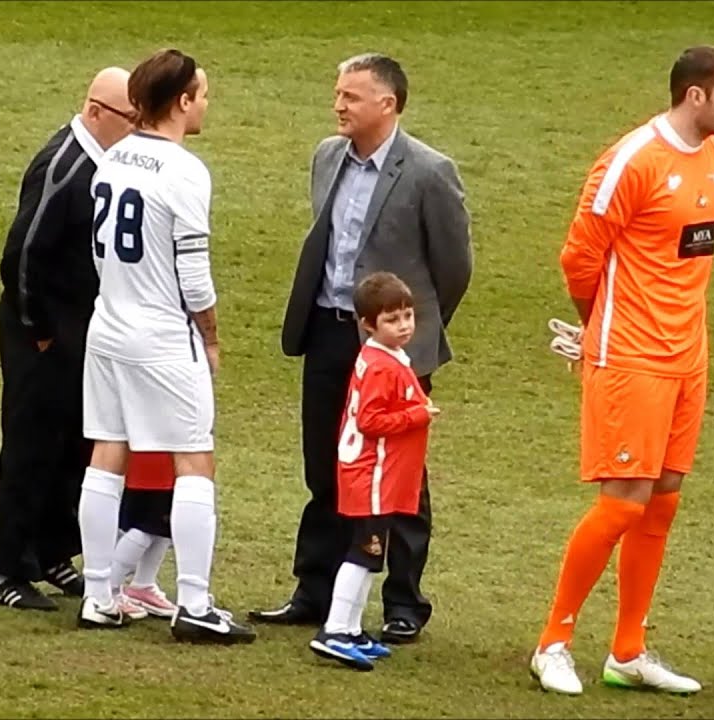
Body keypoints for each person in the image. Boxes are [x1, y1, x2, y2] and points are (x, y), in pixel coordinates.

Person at [529, 46, 714, 695]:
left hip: (688, 354)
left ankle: (629, 649)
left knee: (665, 492)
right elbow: (579, 257)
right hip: (630, 355)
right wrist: (601, 329)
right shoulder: (633, 161)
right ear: (696, 96)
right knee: (624, 501)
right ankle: (553, 642)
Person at [250, 52, 472, 646]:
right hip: (327, 330)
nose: (338, 104)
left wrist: (409, 336)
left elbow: (454, 267)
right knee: (326, 462)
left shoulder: (429, 171)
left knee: (400, 477)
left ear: (388, 103)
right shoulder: (328, 156)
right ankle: (313, 590)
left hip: (391, 348)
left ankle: (403, 602)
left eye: (351, 95)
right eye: (338, 93)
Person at [74, 48, 255, 644]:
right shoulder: (183, 171)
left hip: (108, 326)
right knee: (194, 460)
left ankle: (99, 594)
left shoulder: (113, 157)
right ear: (180, 100)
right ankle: (195, 603)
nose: (207, 103)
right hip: (160, 334)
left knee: (108, 454)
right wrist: (211, 336)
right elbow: (194, 275)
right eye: (202, 93)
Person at [0, 67, 136, 611]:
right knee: (30, 447)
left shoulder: (106, 162)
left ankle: (50, 552)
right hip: (44, 334)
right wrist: (40, 331)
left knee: (72, 443)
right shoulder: (64, 166)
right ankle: (5, 566)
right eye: (130, 118)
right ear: (96, 110)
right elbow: (21, 255)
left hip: (80, 332)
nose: (136, 128)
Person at [309, 272, 437, 672]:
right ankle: (334, 629)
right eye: (392, 319)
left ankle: (349, 629)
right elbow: (370, 420)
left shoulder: (382, 357)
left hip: (373, 475)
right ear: (368, 324)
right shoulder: (382, 365)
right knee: (364, 554)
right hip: (372, 476)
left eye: (407, 316)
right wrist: (417, 414)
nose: (403, 326)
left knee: (369, 556)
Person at [110, 452, 178, 618]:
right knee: (145, 527)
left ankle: (143, 585)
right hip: (153, 461)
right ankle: (108, 589)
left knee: (163, 527)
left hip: (167, 460)